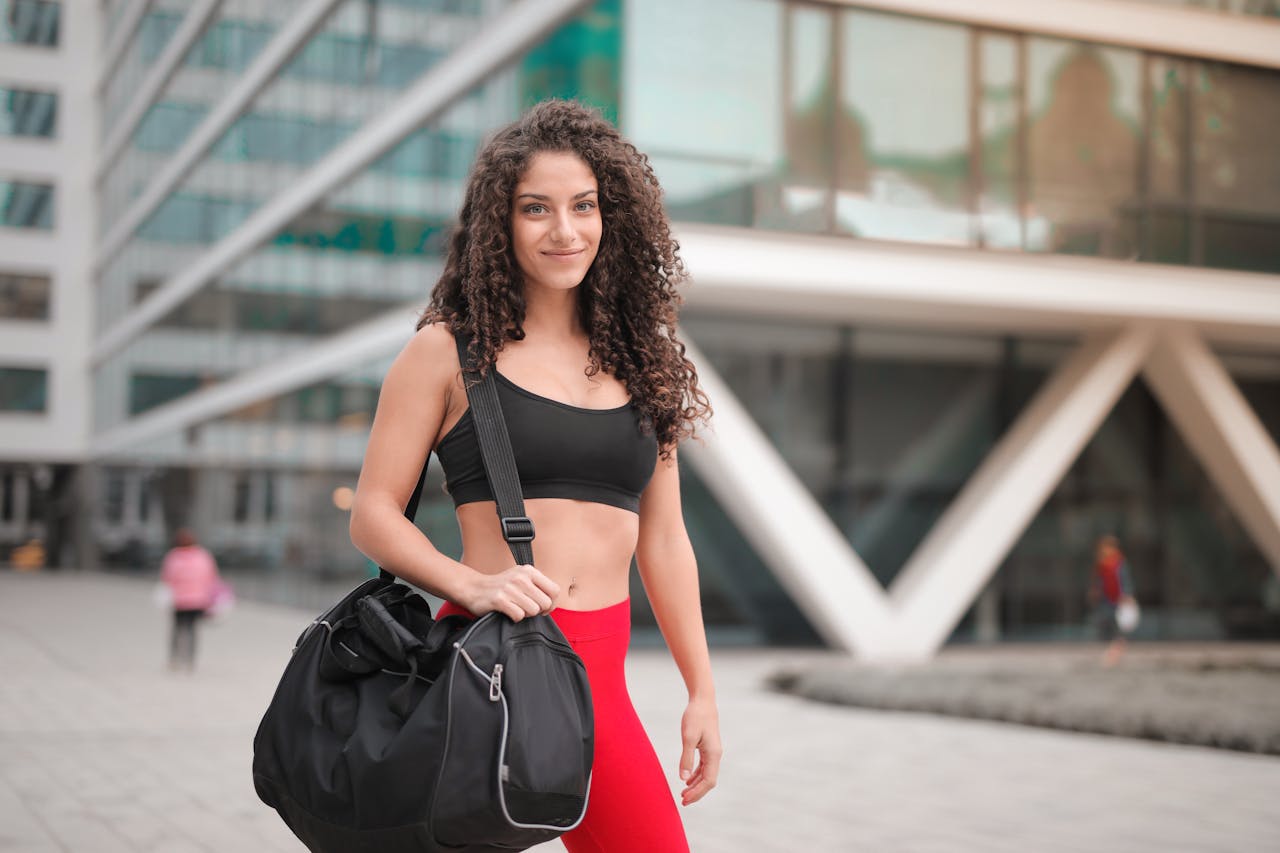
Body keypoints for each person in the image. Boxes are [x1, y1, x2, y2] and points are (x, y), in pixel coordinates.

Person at [349, 99, 720, 853]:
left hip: (600, 679)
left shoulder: (643, 361)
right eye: (536, 209)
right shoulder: (446, 353)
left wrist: (702, 688)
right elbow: (373, 513)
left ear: (610, 215)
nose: (565, 230)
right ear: (500, 224)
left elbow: (666, 541)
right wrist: (474, 584)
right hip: (481, 669)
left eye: (584, 206)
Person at [160, 528, 222, 672]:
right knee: (192, 630)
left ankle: (174, 659)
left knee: (177, 629)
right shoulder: (203, 556)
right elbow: (211, 577)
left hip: (179, 600)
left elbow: (167, 577)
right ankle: (190, 660)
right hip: (197, 600)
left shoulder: (173, 557)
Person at [1088, 534, 1136, 667]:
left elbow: (1125, 581)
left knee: (1118, 626)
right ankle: (1112, 648)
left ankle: (1115, 650)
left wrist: (1127, 595)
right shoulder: (1102, 564)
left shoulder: (1119, 563)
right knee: (1104, 623)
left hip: (1118, 600)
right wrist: (1095, 591)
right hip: (1106, 600)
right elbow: (1099, 582)